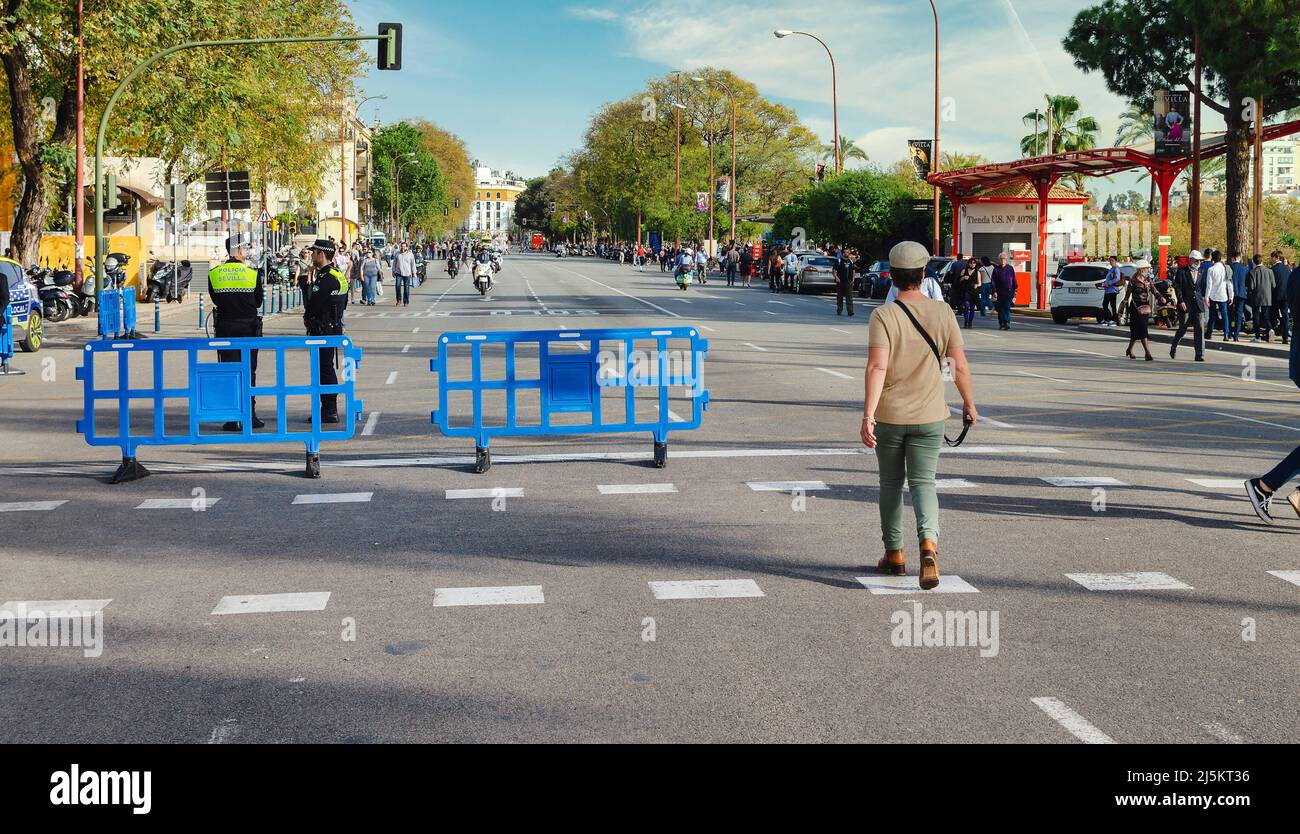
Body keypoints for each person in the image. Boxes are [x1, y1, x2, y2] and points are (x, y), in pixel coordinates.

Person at [862, 241, 977, 591]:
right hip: (930, 416)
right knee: (924, 483)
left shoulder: (883, 315)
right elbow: (958, 364)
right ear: (924, 273)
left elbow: (877, 366)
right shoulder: (943, 314)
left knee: (891, 485)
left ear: (893, 279)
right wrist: (969, 404)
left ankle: (894, 553)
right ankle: (929, 546)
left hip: (891, 416)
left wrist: (868, 415)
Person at [208, 234, 265, 431]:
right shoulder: (252, 273)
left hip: (225, 328)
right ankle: (250, 416)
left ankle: (233, 418)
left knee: (229, 372)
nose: (247, 253)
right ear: (238, 251)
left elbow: (216, 300)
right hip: (249, 329)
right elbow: (258, 302)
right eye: (245, 249)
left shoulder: (214, 273)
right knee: (249, 372)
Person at [303, 240, 347, 423]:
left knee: (324, 371)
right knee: (326, 369)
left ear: (321, 254)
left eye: (313, 252)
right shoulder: (337, 275)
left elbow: (314, 304)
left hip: (323, 330)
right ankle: (328, 409)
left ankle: (329, 410)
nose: (311, 255)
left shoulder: (326, 279)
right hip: (333, 327)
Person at [1170, 250, 1205, 361]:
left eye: (1200, 261)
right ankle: (1174, 346)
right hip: (1186, 304)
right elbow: (1178, 287)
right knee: (1183, 328)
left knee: (1199, 328)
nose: (1199, 263)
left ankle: (1199, 354)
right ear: (1191, 260)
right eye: (1197, 260)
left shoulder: (1202, 271)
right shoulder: (1182, 272)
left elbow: (1202, 287)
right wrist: (1181, 301)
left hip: (1198, 304)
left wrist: (1205, 298)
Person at [1124, 260, 1156, 361]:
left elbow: (1154, 290)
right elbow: (1127, 295)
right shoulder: (1133, 281)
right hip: (1135, 308)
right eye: (1146, 268)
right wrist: (1124, 304)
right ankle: (1147, 353)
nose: (1147, 270)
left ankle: (1129, 349)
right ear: (1141, 269)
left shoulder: (1147, 280)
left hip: (1145, 308)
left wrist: (1160, 297)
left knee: (1138, 330)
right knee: (1141, 330)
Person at [1247, 254, 1276, 343]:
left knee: (1256, 316)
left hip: (1256, 296)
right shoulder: (1270, 271)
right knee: (1266, 315)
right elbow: (1273, 285)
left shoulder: (1252, 272)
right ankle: (1270, 329)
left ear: (1254, 262)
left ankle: (1257, 336)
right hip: (1267, 296)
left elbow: (1252, 286)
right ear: (1262, 261)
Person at [990, 253, 1017, 330]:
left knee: (1007, 307)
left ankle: (1006, 322)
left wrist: (1015, 289)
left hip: (1009, 291)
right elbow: (993, 281)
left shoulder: (1010, 268)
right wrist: (994, 291)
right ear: (999, 260)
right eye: (1001, 259)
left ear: (1006, 260)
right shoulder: (996, 269)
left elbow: (1014, 279)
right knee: (1001, 307)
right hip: (999, 291)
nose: (1003, 260)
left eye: (1004, 259)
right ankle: (1001, 322)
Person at [1271, 251, 1291, 344]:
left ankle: (1271, 334)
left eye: (1273, 257)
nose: (1272, 259)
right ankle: (1285, 337)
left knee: (1273, 315)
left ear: (1277, 257)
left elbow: (1272, 284)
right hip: (1286, 296)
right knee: (1285, 316)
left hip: (1276, 295)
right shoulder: (1287, 269)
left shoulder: (1273, 269)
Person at [1229, 252, 1249, 341]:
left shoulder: (1229, 268)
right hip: (1241, 293)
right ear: (1239, 258)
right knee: (1239, 314)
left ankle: (1229, 332)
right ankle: (1236, 335)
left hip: (1230, 294)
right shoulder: (1245, 268)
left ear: (1233, 258)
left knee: (1229, 313)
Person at [955, 257, 980, 328]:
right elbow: (958, 281)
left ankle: (970, 322)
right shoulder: (964, 270)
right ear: (968, 263)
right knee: (966, 305)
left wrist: (976, 285)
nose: (972, 264)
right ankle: (966, 321)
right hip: (966, 290)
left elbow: (980, 283)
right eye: (971, 263)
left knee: (972, 307)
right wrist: (963, 278)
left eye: (974, 263)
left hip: (973, 291)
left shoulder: (977, 272)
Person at [832, 245, 855, 316]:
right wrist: (836, 277)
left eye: (848, 252)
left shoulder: (850, 261)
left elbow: (853, 271)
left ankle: (850, 311)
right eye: (845, 252)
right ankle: (839, 309)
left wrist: (853, 280)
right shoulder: (839, 261)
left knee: (849, 297)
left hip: (848, 282)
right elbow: (834, 270)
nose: (846, 254)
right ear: (843, 253)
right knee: (840, 297)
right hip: (840, 281)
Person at [1100, 255, 1123, 326]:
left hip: (1113, 290)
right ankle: (1107, 319)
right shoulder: (1111, 269)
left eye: (1112, 260)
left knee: (1113, 306)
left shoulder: (1116, 269)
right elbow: (1108, 279)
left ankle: (1114, 320)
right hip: (1107, 290)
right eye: (1110, 260)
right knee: (1104, 305)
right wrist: (1104, 283)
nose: (1111, 262)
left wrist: (1108, 283)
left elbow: (1117, 279)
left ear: (1116, 261)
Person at [393, 241, 415, 307]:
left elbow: (413, 264)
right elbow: (394, 263)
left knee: (406, 288)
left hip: (407, 273)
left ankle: (406, 301)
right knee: (397, 286)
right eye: (402, 246)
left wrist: (414, 272)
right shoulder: (397, 254)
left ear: (407, 247)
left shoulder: (410, 254)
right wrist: (393, 271)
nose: (403, 248)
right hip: (398, 273)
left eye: (404, 246)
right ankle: (398, 300)